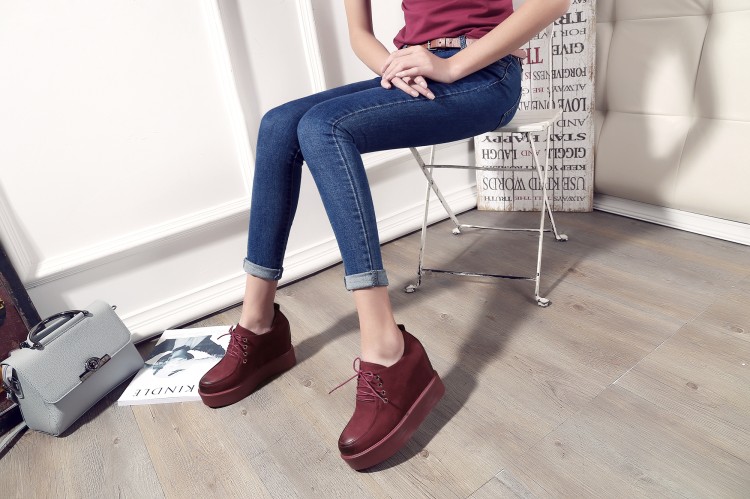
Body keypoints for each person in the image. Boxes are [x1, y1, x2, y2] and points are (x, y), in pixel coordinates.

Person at [198, 0, 571, 470]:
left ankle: (388, 350)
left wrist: (450, 66)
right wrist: (395, 69)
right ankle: (259, 325)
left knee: (324, 127)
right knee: (278, 124)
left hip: (484, 72)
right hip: (412, 66)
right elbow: (360, 34)